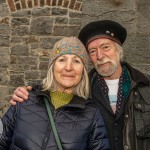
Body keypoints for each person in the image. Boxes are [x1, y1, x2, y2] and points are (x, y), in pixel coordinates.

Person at [9, 20, 150, 150]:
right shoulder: (80, 91)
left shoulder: (145, 87)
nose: (100, 56)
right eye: (92, 51)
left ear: (119, 51)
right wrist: (29, 93)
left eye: (105, 47)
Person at [0, 37, 110, 150]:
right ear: (52, 67)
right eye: (62, 60)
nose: (68, 67)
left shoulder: (92, 114)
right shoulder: (24, 100)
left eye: (76, 61)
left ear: (83, 71)